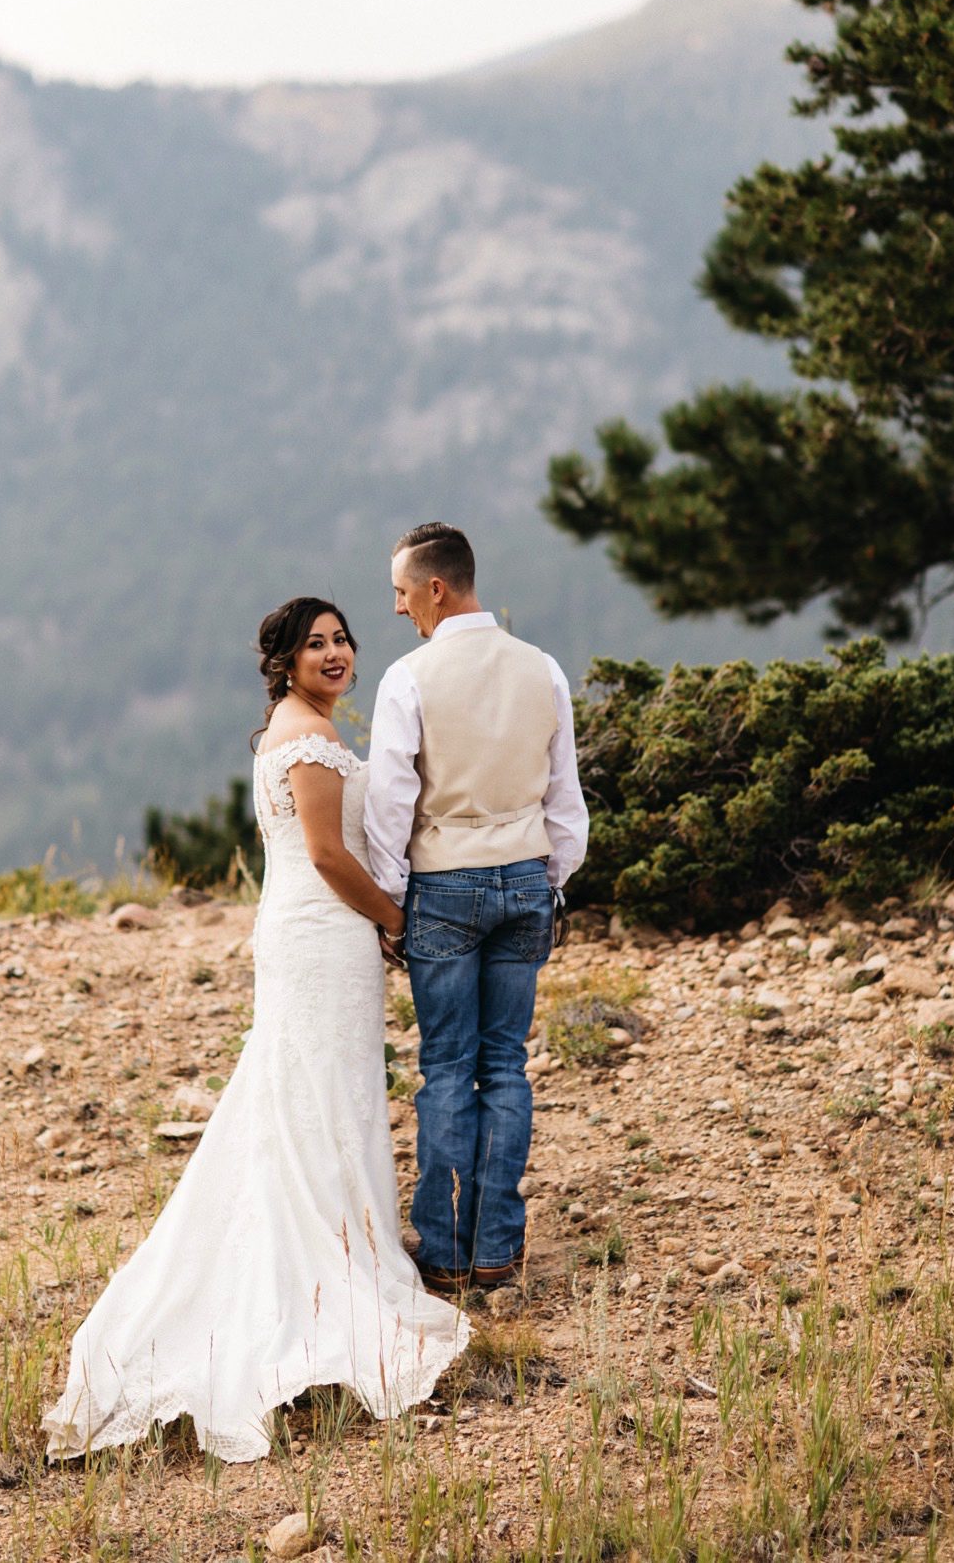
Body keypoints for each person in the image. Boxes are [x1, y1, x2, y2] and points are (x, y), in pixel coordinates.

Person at [42, 596, 467, 1463]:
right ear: (284, 659)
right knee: (317, 1094)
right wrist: (395, 921)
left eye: (343, 638)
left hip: (314, 934)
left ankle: (349, 1236)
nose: (337, 652)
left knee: (317, 1096)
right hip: (321, 934)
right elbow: (326, 853)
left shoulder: (297, 723)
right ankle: (329, 1262)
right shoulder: (303, 738)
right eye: (317, 644)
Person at [365, 523, 588, 1291]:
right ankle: (497, 1247)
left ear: (435, 588)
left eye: (400, 593)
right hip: (527, 878)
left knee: (447, 1068)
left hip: (445, 887)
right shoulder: (543, 670)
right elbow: (565, 795)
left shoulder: (408, 679)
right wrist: (552, 881)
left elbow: (392, 805)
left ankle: (445, 1254)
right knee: (506, 1063)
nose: (397, 609)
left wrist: (390, 906)